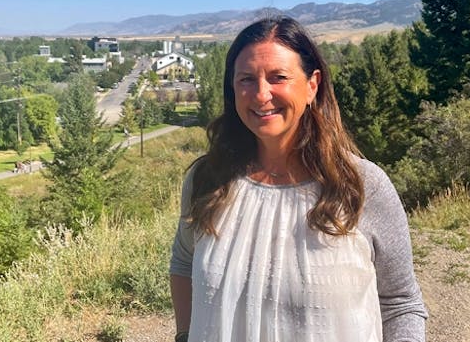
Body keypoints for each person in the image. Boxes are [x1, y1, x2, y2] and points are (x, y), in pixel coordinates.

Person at [169, 17, 427, 342]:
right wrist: (184, 335)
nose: (261, 94)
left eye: (278, 77)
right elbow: (183, 263)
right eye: (246, 79)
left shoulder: (361, 186)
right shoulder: (207, 179)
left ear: (312, 85)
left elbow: (401, 303)